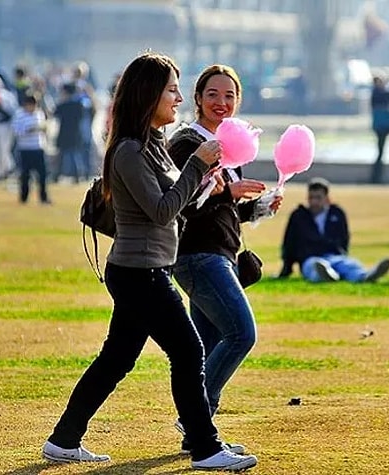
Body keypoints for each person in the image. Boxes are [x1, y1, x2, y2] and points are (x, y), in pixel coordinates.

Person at [42, 52, 258, 472]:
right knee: (190, 350)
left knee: (117, 358)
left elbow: (178, 206)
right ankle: (205, 447)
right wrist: (197, 166)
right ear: (149, 95)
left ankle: (63, 439)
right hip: (139, 272)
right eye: (172, 90)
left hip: (150, 267)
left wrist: (206, 184)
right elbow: (161, 210)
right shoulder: (128, 150)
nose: (178, 99)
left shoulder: (154, 143)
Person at [166, 64, 282, 455]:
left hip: (222, 254)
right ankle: (195, 417)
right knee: (242, 333)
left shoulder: (232, 146)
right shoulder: (186, 144)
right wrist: (227, 194)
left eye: (230, 95)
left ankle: (199, 435)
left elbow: (224, 210)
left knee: (204, 347)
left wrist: (259, 206)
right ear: (197, 98)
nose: (222, 102)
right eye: (213, 94)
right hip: (198, 257)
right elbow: (182, 208)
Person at [279, 177, 389, 283]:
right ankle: (326, 276)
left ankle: (366, 276)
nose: (314, 202)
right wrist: (286, 268)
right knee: (315, 268)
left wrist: (342, 252)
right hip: (310, 258)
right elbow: (289, 243)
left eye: (318, 198)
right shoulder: (299, 216)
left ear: (327, 198)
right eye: (311, 198)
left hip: (334, 255)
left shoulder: (337, 214)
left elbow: (344, 238)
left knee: (349, 265)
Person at [11, 92, 50, 204]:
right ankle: (24, 197)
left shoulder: (39, 114)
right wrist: (29, 130)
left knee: (42, 175)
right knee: (25, 175)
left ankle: (43, 197)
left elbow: (44, 127)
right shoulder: (19, 115)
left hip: (38, 147)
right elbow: (15, 131)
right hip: (25, 148)